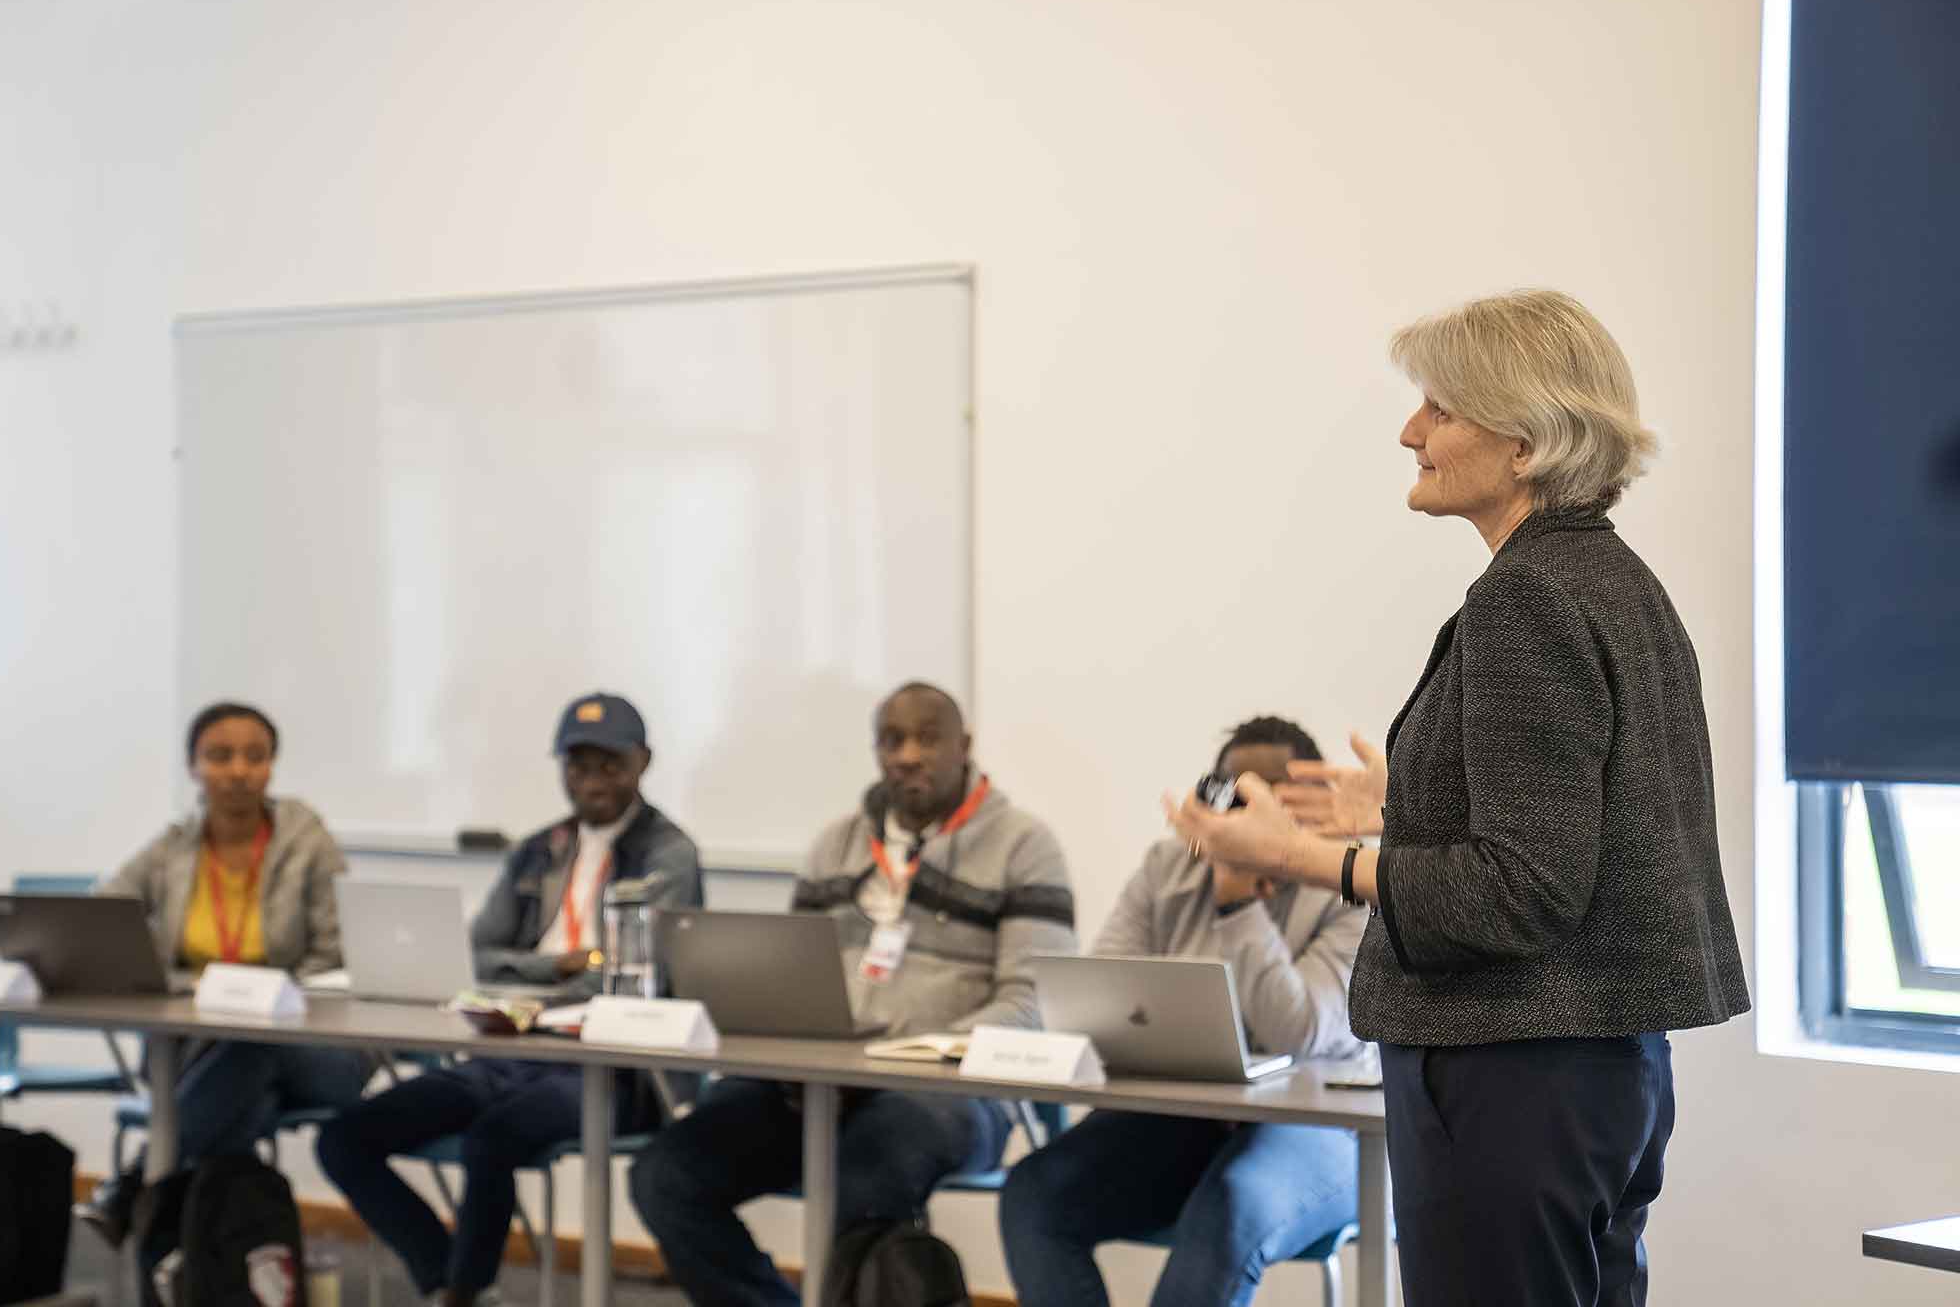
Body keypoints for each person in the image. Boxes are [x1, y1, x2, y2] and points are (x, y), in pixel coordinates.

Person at [1166, 289, 1750, 1307]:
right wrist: (1407, 805)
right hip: (1597, 1073)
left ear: (1522, 442)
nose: (1409, 431)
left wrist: (1304, 857)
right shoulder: (1611, 581)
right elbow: (1585, 827)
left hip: (1508, 1074)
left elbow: (1520, 892)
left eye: (1436, 409)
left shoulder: (1523, 597)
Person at [628, 681, 1076, 1307]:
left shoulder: (1024, 846)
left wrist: (910, 1054)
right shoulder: (834, 846)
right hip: (816, 1085)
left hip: (949, 1092)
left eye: (927, 738)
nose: (908, 755)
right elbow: (791, 981)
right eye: (893, 740)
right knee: (665, 1174)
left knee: (865, 1170)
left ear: (964, 747)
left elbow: (1034, 1003)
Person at [317, 692, 701, 1307]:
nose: (593, 780)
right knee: (343, 1139)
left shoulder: (668, 854)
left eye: (609, 764)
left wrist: (544, 986)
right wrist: (555, 967)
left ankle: (464, 1292)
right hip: (509, 1046)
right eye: (579, 765)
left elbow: (631, 974)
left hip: (617, 1068)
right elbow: (476, 954)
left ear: (642, 762)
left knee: (492, 1137)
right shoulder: (537, 849)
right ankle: (445, 1277)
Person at [1000, 715, 1368, 1307]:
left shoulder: (1352, 882)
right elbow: (1103, 993)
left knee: (1228, 1208)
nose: (1245, 812)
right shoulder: (1167, 867)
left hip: (1322, 1131)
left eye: (1266, 796)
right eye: (1232, 792)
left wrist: (1237, 900)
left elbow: (1295, 1030)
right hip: (1180, 1116)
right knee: (1033, 1197)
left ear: (1313, 804)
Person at [76, 702, 372, 1246]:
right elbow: (102, 914)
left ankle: (140, 1188)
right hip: (195, 1043)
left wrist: (267, 1002)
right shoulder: (172, 848)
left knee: (250, 1046)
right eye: (220, 756)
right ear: (193, 767)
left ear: (272, 766)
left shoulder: (307, 840)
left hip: (313, 1044)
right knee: (241, 1094)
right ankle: (210, 1255)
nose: (238, 770)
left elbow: (335, 954)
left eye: (254, 757)